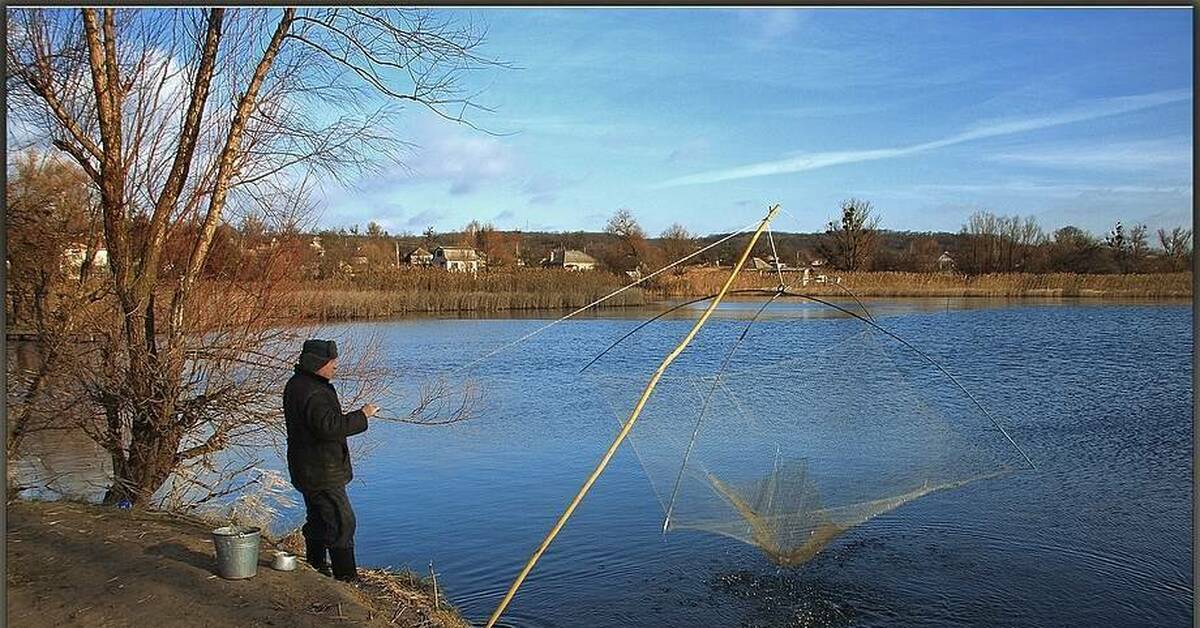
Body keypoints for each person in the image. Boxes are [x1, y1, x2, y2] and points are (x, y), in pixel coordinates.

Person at [283, 339, 378, 581]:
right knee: (342, 522)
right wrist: (363, 415)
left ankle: (317, 567)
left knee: (318, 519)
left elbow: (323, 425)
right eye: (332, 362)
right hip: (321, 471)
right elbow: (330, 428)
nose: (336, 366)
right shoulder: (313, 391)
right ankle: (346, 579)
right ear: (318, 363)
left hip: (308, 468)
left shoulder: (299, 384)